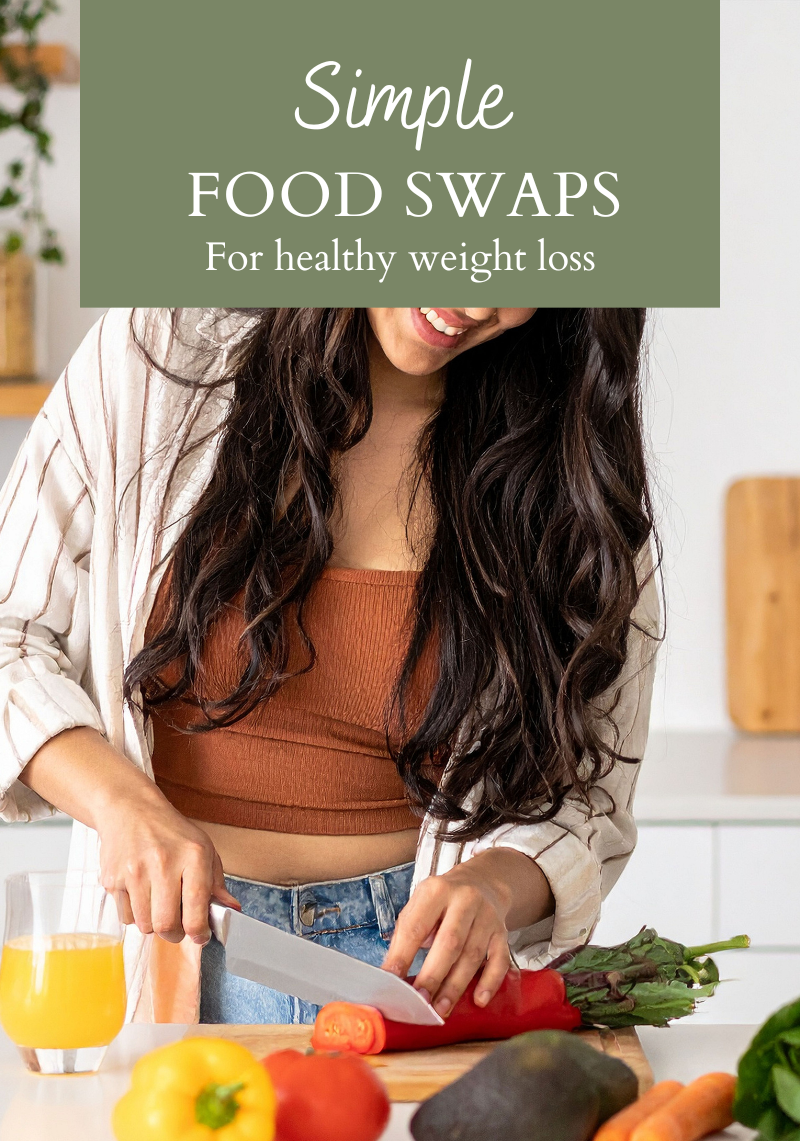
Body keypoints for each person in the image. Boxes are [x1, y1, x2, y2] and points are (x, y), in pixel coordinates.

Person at [0, 307, 660, 1024]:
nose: (473, 298)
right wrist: (121, 806)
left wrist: (498, 886)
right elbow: (11, 635)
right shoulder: (164, 348)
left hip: (411, 973)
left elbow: (587, 797)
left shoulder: (572, 472)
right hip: (161, 950)